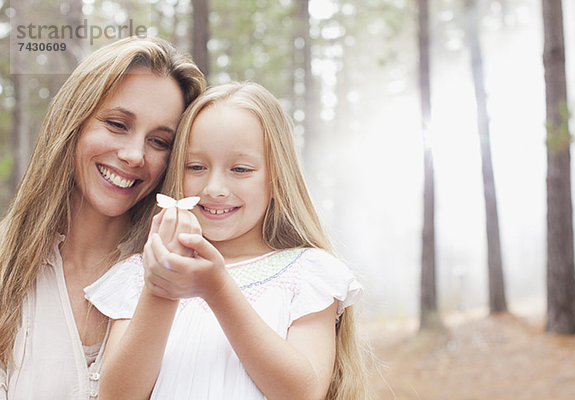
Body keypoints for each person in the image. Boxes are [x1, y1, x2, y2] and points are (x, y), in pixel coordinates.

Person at [91, 81, 368, 399]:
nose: (214, 188)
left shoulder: (307, 275)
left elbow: (302, 392)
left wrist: (218, 290)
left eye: (240, 168)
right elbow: (118, 395)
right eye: (196, 166)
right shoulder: (140, 273)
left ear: (276, 178)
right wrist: (160, 290)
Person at [0, 36, 205, 400]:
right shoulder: (6, 260)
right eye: (116, 124)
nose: (133, 155)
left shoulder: (193, 279)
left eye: (159, 142)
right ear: (73, 121)